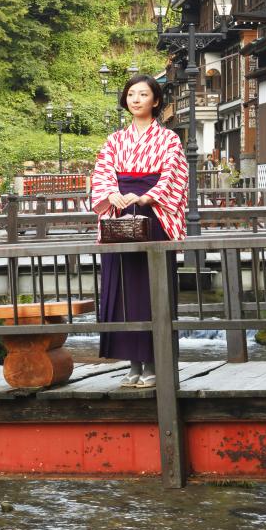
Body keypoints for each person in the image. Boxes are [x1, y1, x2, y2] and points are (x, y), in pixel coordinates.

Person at [90, 74, 188, 389]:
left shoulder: (169, 140)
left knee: (150, 289)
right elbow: (102, 174)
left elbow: (174, 174)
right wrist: (111, 194)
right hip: (121, 217)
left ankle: (155, 362)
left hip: (154, 215)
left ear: (155, 101)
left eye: (143, 94)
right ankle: (132, 363)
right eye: (131, 94)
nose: (135, 99)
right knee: (123, 291)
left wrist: (147, 196)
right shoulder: (115, 141)